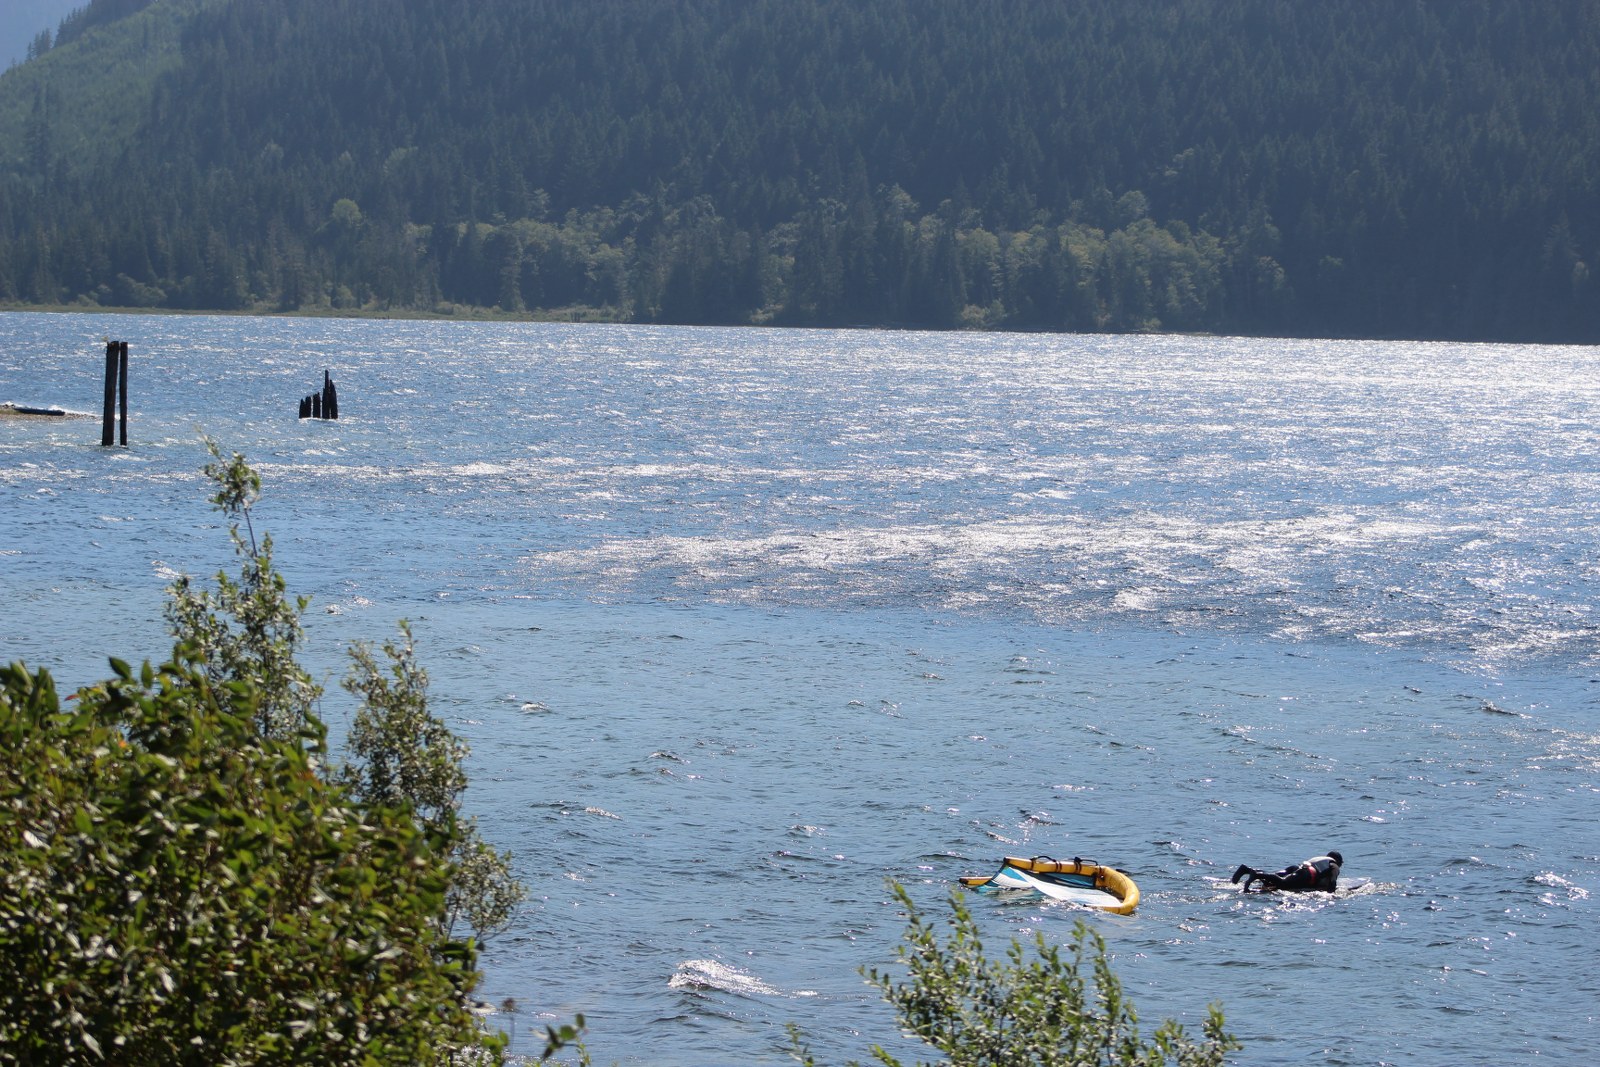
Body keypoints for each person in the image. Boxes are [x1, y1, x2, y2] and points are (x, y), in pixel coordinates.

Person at [1231, 850, 1342, 892]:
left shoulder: (1322, 859)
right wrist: (1333, 889)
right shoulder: (1334, 865)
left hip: (1297, 868)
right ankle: (1256, 874)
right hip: (1307, 874)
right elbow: (1332, 882)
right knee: (1283, 883)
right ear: (1338, 861)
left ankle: (1247, 870)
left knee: (1272, 880)